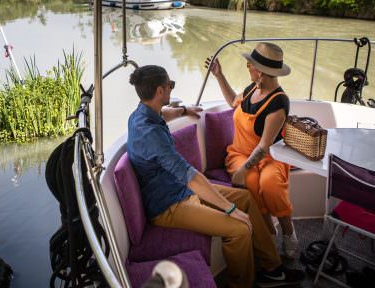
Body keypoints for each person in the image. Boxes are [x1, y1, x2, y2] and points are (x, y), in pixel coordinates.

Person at [127, 65, 304, 288]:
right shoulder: (151, 134)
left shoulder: (141, 115)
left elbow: (163, 114)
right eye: (170, 85)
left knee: (247, 199)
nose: (172, 89)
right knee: (239, 229)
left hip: (180, 189)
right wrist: (230, 210)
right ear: (161, 91)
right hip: (169, 205)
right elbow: (192, 177)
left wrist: (183, 111)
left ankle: (272, 269)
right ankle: (242, 284)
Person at [206, 42, 298, 258]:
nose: (248, 66)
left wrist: (243, 169)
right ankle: (268, 233)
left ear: (262, 73)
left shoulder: (279, 102)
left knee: (271, 185)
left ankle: (288, 231)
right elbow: (232, 102)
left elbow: (265, 146)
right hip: (240, 153)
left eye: (251, 64)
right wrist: (219, 75)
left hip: (269, 156)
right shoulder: (251, 90)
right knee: (251, 183)